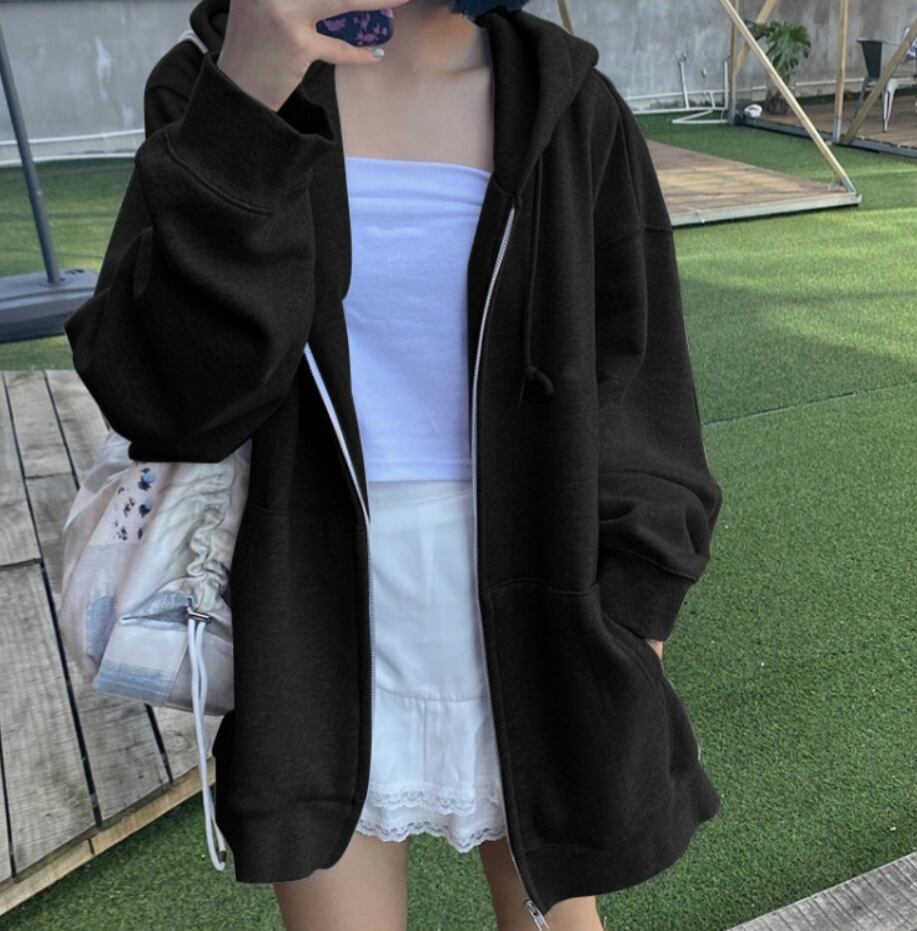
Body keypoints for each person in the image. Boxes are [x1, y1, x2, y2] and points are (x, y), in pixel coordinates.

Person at [64, 0, 725, 928]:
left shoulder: (572, 107)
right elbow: (163, 399)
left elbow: (641, 386)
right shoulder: (210, 86)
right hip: (308, 617)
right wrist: (242, 107)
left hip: (540, 608)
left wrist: (635, 614)